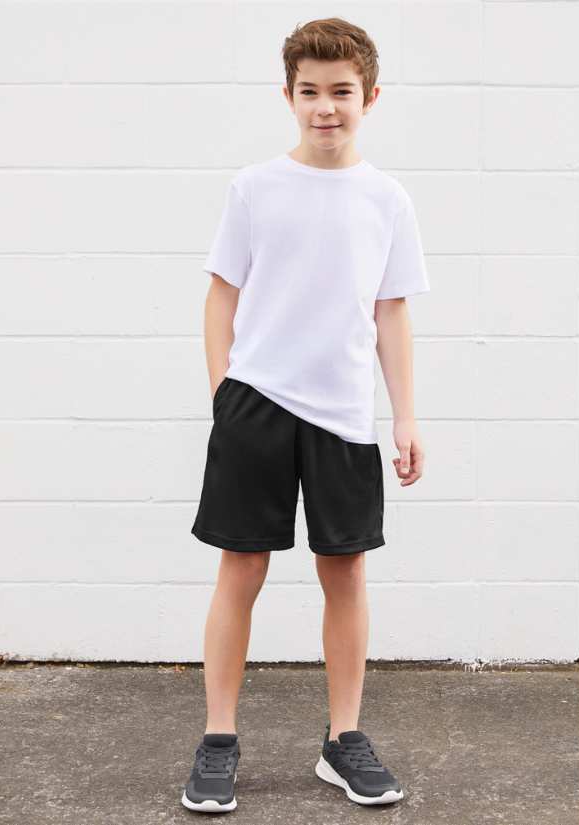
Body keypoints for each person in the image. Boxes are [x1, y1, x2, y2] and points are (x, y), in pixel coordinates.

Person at [181, 16, 430, 813]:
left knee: (345, 571)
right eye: (311, 91)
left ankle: (343, 738)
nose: (326, 106)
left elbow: (392, 312)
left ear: (371, 97)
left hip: (344, 414)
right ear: (288, 96)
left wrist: (405, 417)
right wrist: (223, 395)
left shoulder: (387, 199)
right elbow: (220, 296)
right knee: (241, 567)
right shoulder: (254, 188)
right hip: (256, 405)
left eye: (342, 91)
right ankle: (219, 738)